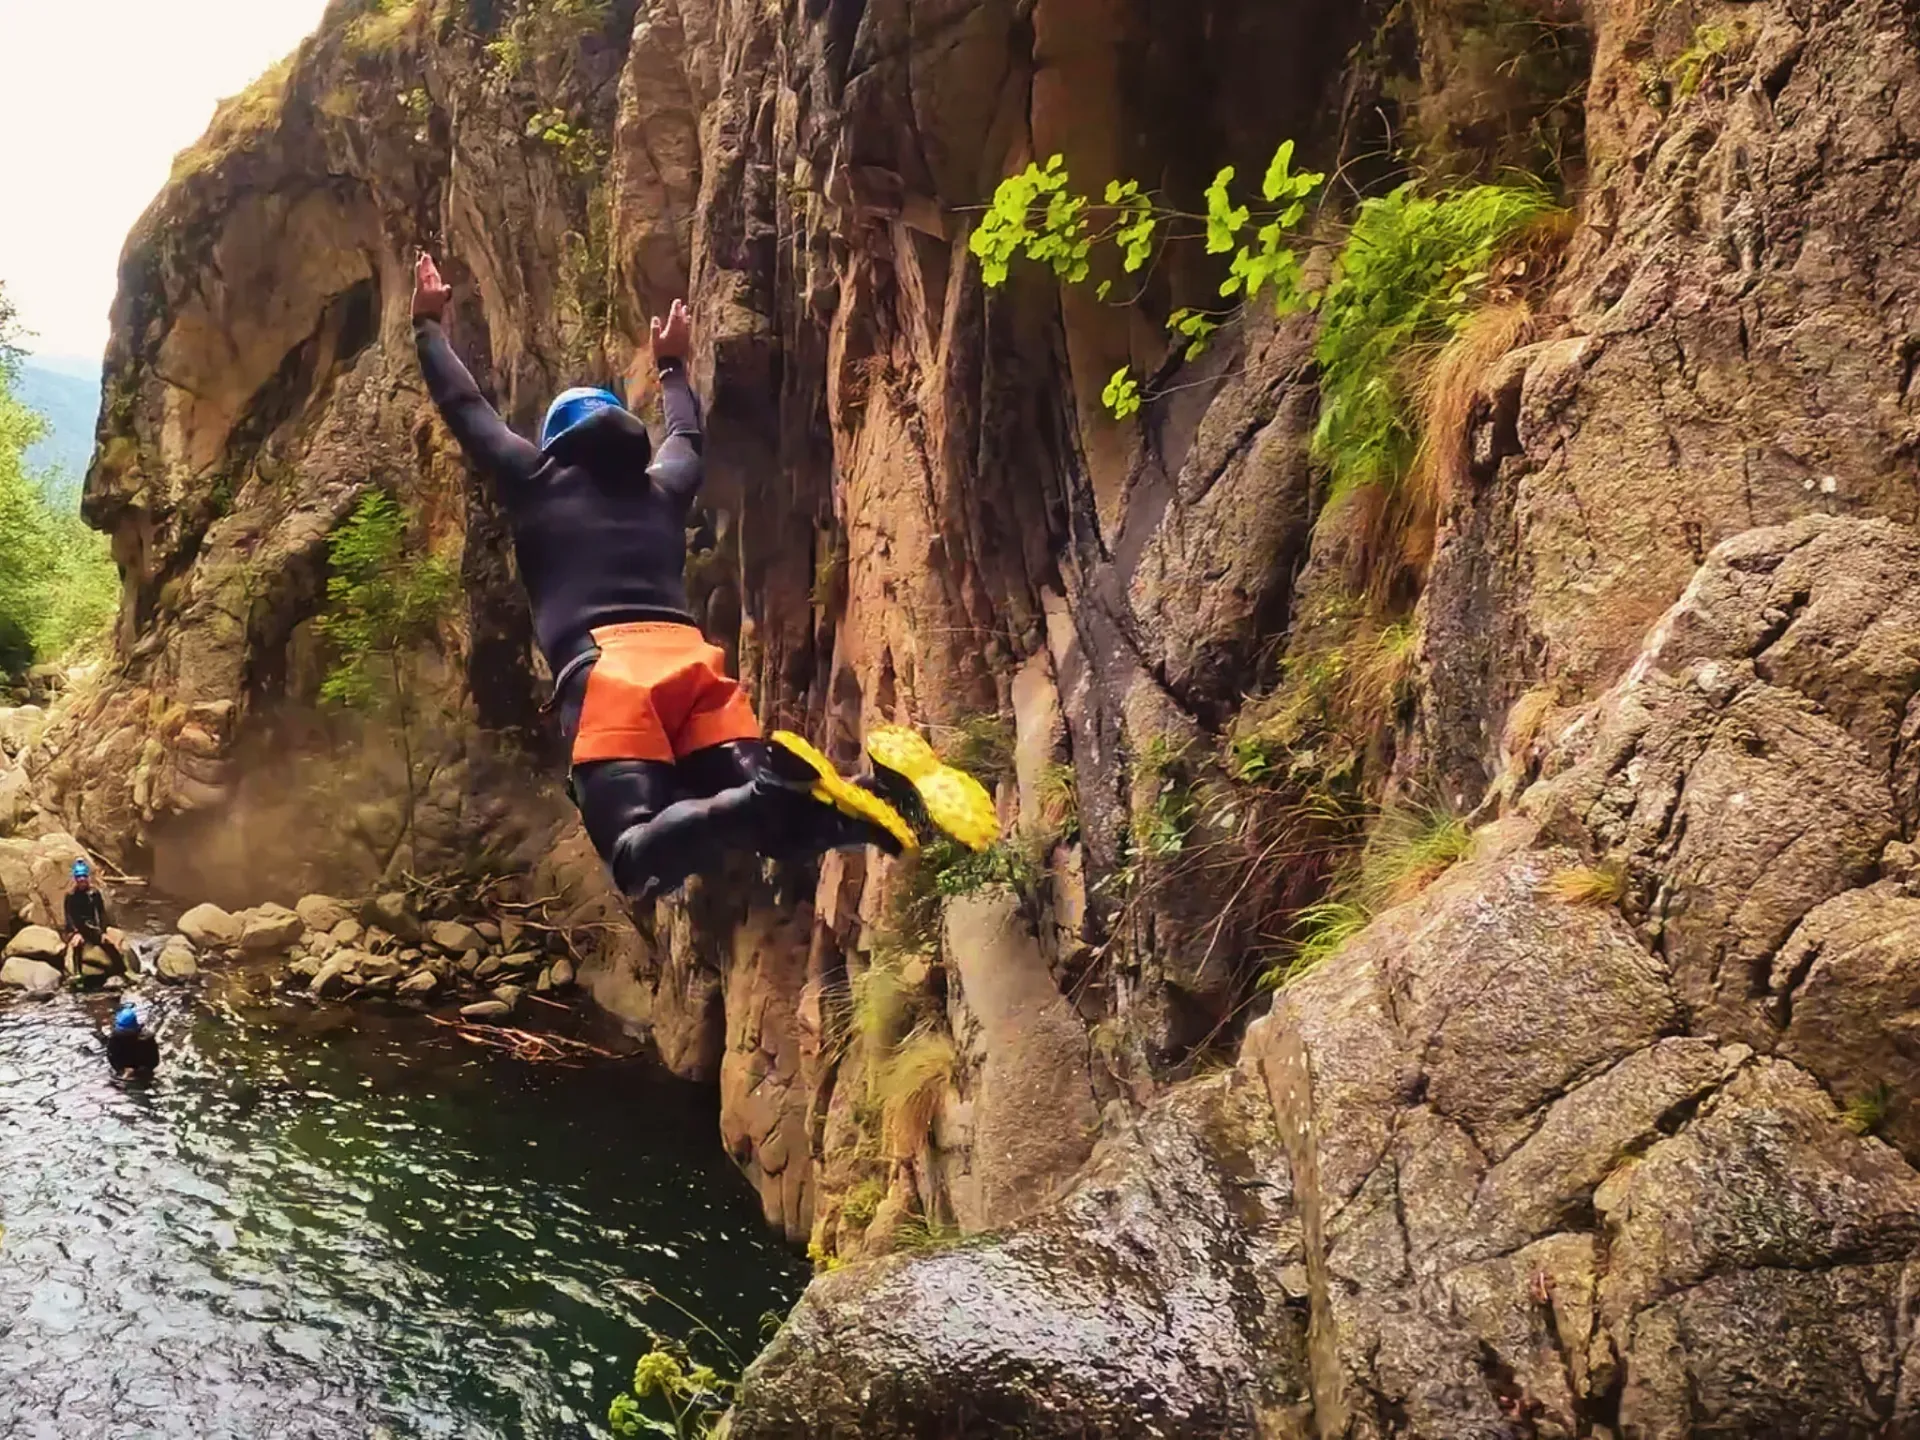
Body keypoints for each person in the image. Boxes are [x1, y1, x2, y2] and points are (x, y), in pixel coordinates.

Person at [409, 253, 997, 902]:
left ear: (554, 442)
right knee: (771, 825)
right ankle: (892, 797)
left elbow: (466, 407)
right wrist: (671, 367)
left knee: (635, 855)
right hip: (693, 665)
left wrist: (428, 327)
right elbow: (687, 434)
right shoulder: (662, 487)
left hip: (610, 671)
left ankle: (777, 789)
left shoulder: (536, 480)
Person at [63, 859, 118, 976]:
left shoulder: (94, 893)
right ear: (76, 879)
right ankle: (77, 974)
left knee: (109, 944)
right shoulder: (70, 895)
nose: (82, 879)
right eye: (79, 877)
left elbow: (101, 913)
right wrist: (75, 933)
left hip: (91, 927)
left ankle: (122, 970)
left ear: (87, 877)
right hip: (77, 928)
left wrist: (103, 932)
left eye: (84, 876)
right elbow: (68, 916)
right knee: (77, 946)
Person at [105, 1002, 159, 1079]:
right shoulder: (147, 1037)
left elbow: (153, 1061)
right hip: (128, 1069)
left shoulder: (115, 1037)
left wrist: (134, 1071)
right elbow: (112, 1056)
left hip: (140, 1071)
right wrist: (123, 1070)